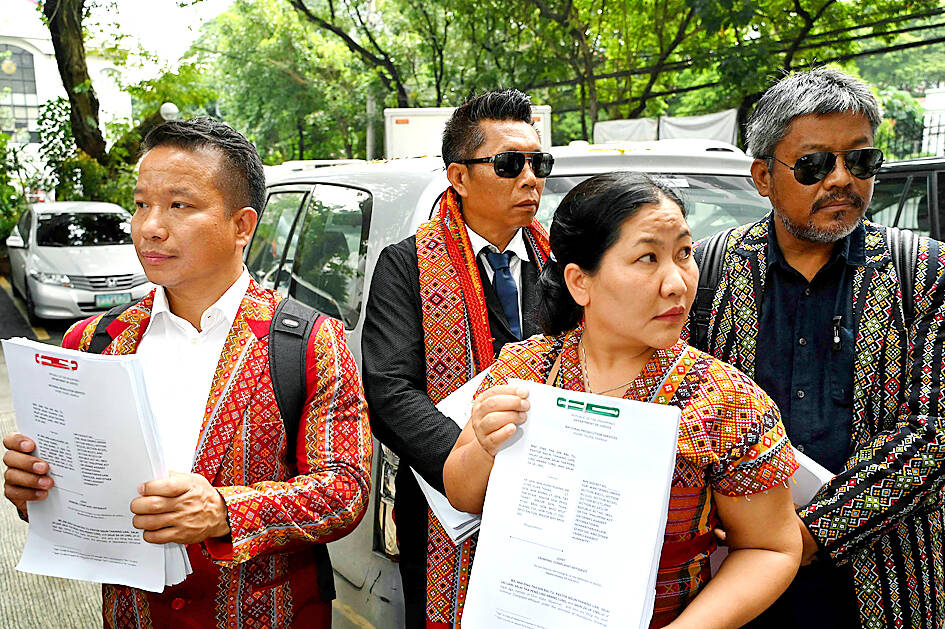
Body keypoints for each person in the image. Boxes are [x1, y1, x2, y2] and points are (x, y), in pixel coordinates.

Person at [2, 118, 373, 628]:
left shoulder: (307, 342)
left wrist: (224, 511)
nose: (150, 226)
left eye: (179, 205)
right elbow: (74, 490)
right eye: (141, 204)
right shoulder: (93, 343)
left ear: (242, 226)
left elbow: (345, 489)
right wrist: (37, 490)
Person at [444, 171, 802, 628]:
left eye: (684, 253)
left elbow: (769, 546)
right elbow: (462, 494)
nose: (676, 283)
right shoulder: (526, 370)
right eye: (648, 257)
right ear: (580, 282)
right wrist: (485, 443)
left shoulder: (726, 402)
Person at [688, 67, 945, 627]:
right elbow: (667, 398)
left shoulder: (924, 272)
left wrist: (811, 532)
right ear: (763, 176)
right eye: (814, 164)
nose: (841, 180)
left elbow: (935, 432)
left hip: (886, 579)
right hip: (732, 578)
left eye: (860, 161)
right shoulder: (706, 270)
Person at [361, 88, 553, 627]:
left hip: (545, 496)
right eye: (509, 164)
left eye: (539, 163)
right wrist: (470, 467)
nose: (530, 178)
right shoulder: (407, 265)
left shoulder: (561, 265)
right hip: (443, 505)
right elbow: (389, 390)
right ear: (459, 177)